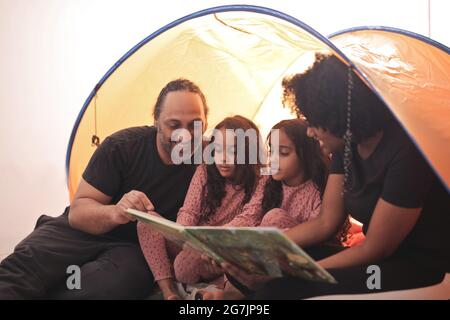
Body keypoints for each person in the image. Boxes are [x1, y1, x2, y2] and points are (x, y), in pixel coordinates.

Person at [218, 53, 450, 299]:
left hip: (415, 269)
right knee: (251, 267)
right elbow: (325, 223)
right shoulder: (345, 147)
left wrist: (295, 273)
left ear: (337, 118)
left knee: (280, 288)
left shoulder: (406, 152)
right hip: (376, 260)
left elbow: (376, 248)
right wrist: (259, 249)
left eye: (314, 122)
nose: (309, 131)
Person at [0, 78, 208, 299]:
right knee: (22, 269)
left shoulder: (215, 162)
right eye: (174, 125)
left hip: (132, 250)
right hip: (80, 231)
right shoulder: (122, 146)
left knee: (108, 287)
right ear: (156, 120)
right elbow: (79, 211)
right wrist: (117, 212)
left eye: (195, 125)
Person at [138, 115, 267, 300]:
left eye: (232, 151)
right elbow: (189, 211)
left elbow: (248, 219)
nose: (222, 158)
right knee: (146, 222)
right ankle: (169, 292)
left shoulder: (262, 180)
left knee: (184, 267)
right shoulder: (205, 170)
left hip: (224, 249)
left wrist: (207, 243)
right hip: (192, 242)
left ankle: (217, 287)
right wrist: (182, 235)